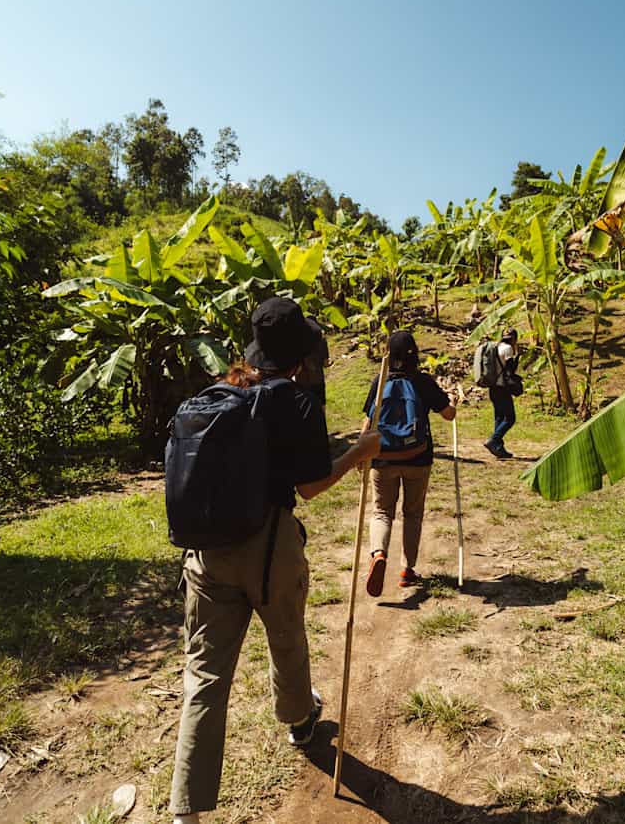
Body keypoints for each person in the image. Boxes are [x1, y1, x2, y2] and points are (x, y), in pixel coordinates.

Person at [169, 297, 381, 824]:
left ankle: (184, 813)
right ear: (300, 356)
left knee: (205, 676)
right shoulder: (297, 402)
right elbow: (309, 487)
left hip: (207, 552)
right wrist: (358, 453)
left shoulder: (220, 390)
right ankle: (299, 721)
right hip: (268, 546)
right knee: (285, 636)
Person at [361, 331, 456, 596]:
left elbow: (367, 422)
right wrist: (452, 402)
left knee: (381, 511)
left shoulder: (380, 382)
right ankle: (407, 570)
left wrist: (361, 455)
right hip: (418, 458)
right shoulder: (423, 382)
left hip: (382, 457)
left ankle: (379, 553)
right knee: (412, 514)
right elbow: (449, 415)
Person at [484, 328, 519, 459]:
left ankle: (498, 448)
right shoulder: (508, 349)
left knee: (499, 417)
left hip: (492, 388)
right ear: (514, 339)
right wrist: (517, 358)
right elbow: (510, 371)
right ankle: (493, 440)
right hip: (502, 388)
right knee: (510, 418)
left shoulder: (496, 347)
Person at [294, 316, 329, 407]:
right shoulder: (322, 341)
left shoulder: (298, 343)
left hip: (302, 381)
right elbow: (326, 363)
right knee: (321, 406)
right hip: (318, 380)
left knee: (304, 408)